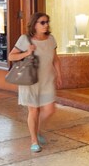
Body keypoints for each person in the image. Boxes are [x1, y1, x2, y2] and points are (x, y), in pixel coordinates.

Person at [8, 12, 61, 153]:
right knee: (34, 110)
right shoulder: (25, 39)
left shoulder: (51, 39)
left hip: (47, 80)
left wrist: (59, 75)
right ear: (34, 25)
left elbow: (55, 59)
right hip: (30, 80)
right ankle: (34, 140)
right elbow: (11, 56)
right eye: (42, 22)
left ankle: (37, 130)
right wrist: (27, 53)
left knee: (50, 109)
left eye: (47, 22)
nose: (46, 25)